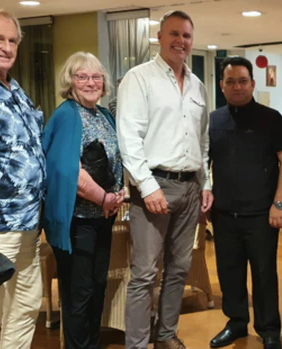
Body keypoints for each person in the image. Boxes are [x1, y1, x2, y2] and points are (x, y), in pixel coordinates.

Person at [117, 10, 212, 349]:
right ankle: (138, 344)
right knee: (144, 273)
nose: (180, 41)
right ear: (159, 37)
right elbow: (128, 136)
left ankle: (167, 335)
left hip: (190, 187)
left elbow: (203, 141)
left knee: (179, 268)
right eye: (173, 34)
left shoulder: (198, 85)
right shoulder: (139, 78)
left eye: (186, 35)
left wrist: (206, 183)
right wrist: (147, 185)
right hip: (153, 187)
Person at [208, 56, 282, 349]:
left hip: (261, 214)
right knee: (229, 273)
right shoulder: (214, 120)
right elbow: (202, 162)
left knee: (264, 274)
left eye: (242, 81)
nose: (237, 86)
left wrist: (279, 203)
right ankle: (236, 323)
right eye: (230, 81)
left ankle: (269, 329)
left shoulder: (271, 119)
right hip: (223, 214)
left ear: (253, 84)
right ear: (222, 86)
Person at [42, 51, 125, 349]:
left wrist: (119, 193)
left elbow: (117, 160)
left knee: (96, 288)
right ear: (70, 81)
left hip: (102, 218)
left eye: (96, 76)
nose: (90, 83)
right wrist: (105, 198)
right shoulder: (67, 115)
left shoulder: (103, 115)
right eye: (82, 77)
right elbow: (68, 171)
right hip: (77, 221)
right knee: (79, 293)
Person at [0, 9, 46, 349]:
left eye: (12, 40)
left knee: (26, 305)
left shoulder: (15, 90)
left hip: (27, 223)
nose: (7, 47)